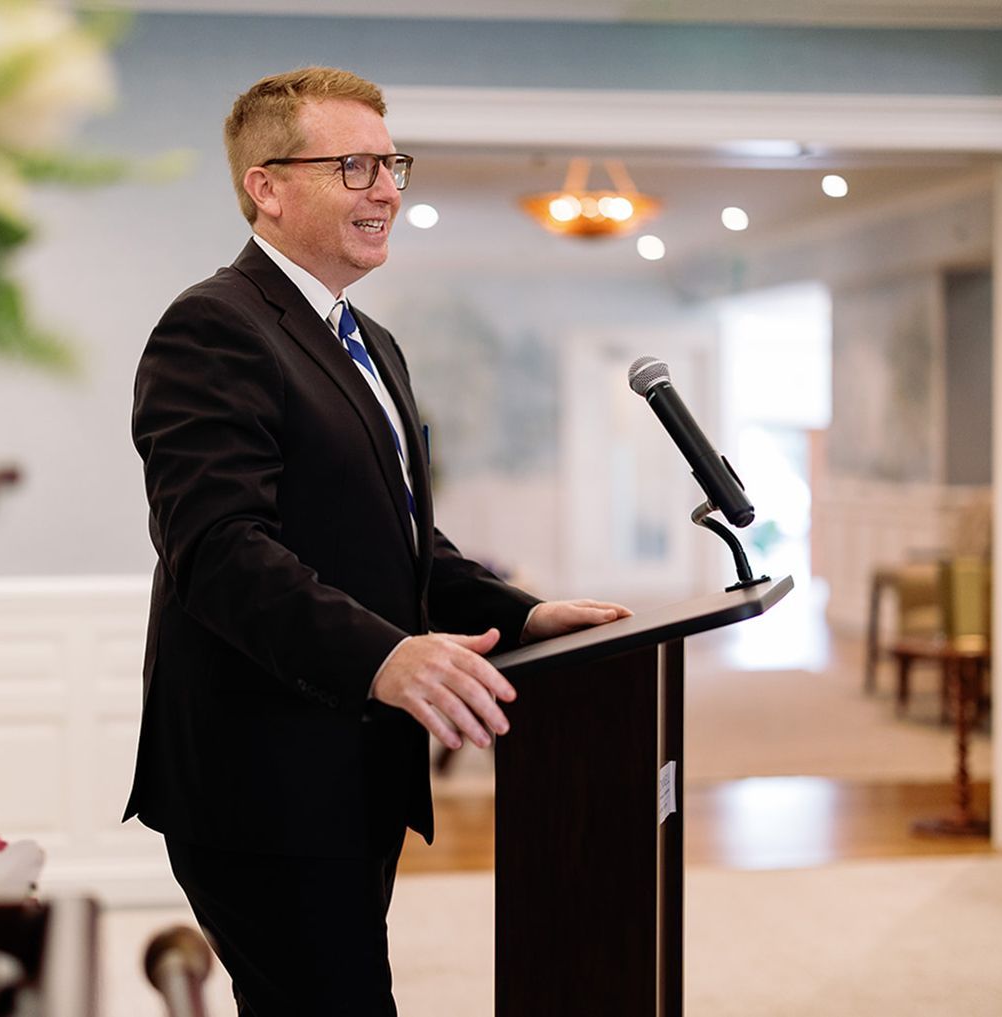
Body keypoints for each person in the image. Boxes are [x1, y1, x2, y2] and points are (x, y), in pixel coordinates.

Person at [124, 66, 630, 1016]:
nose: (388, 189)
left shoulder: (370, 340)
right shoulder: (213, 327)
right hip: (262, 780)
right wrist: (384, 655)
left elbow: (404, 542)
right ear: (265, 187)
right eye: (353, 166)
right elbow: (219, 549)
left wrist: (525, 612)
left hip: (354, 765)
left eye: (391, 163)